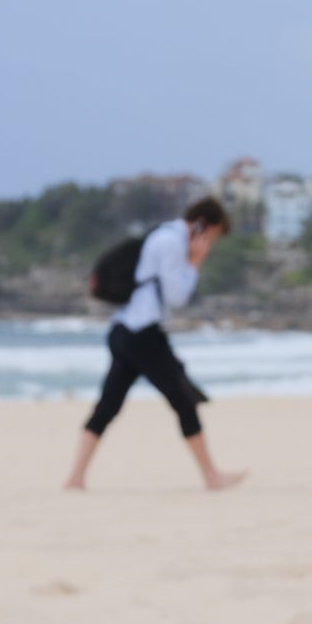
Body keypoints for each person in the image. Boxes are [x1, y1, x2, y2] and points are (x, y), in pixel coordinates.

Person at [61, 196, 245, 493]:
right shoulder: (172, 243)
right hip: (143, 334)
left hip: (124, 330)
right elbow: (177, 297)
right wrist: (195, 263)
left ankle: (75, 478)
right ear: (203, 226)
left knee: (108, 405)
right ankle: (211, 477)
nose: (211, 244)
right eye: (213, 237)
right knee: (184, 401)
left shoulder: (161, 235)